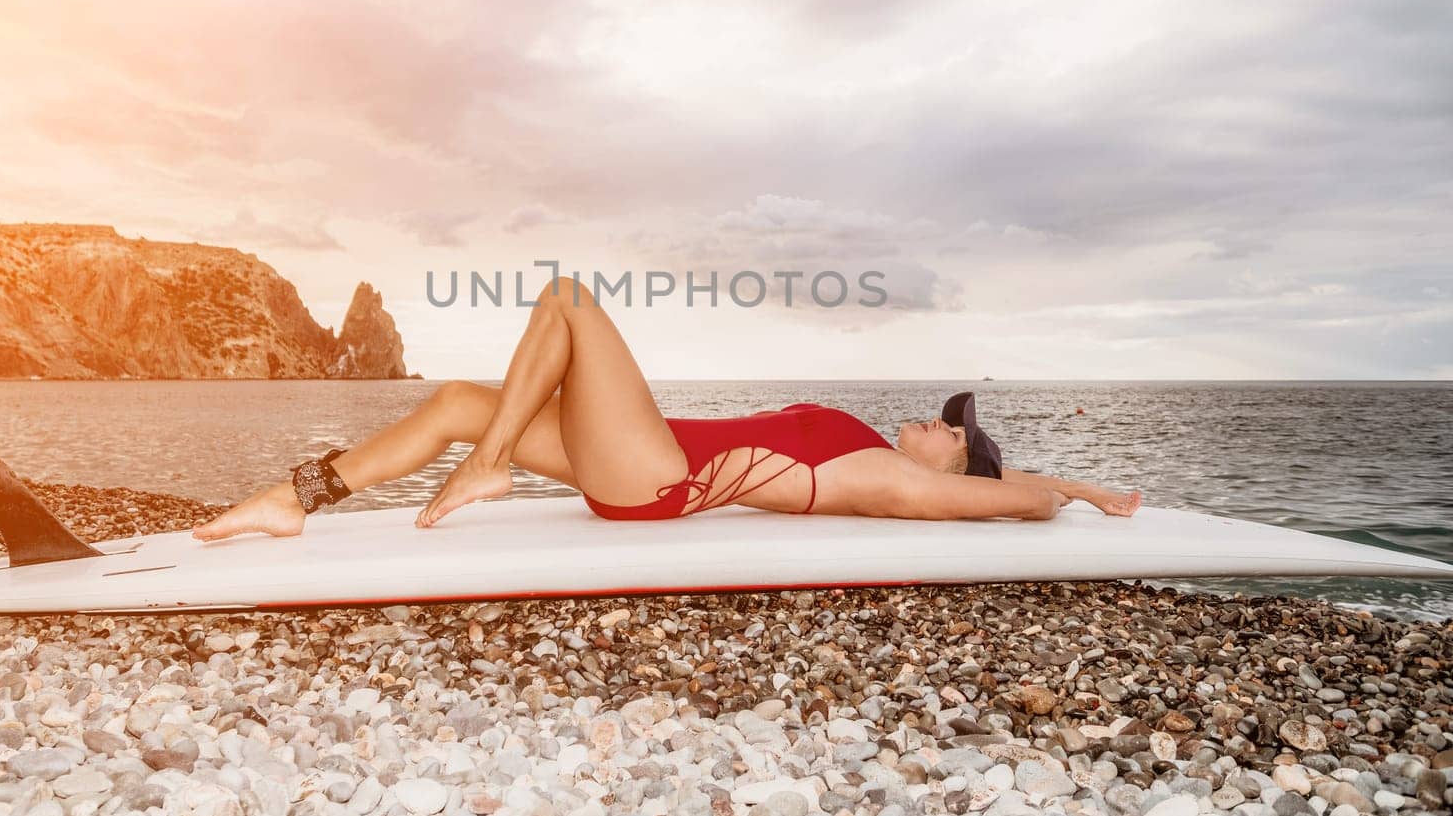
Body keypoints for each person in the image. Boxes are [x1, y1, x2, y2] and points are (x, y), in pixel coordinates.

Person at [191, 276, 1141, 542]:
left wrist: (1055, 495)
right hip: (641, 455)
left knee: (567, 297)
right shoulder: (888, 453)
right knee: (454, 401)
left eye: (951, 431)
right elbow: (1013, 482)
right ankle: (296, 498)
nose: (937, 423)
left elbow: (1006, 499)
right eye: (948, 416)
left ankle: (490, 464)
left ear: (946, 468)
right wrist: (1093, 487)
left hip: (657, 476)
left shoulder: (896, 481)